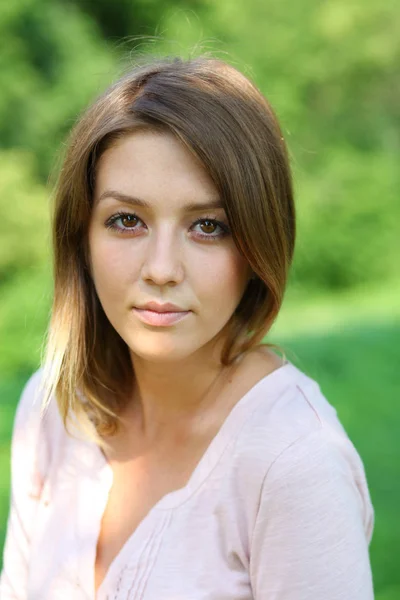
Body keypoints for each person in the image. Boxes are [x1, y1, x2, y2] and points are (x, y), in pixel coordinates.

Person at [0, 55, 374, 599]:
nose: (161, 269)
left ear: (257, 242)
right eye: (127, 220)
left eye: (207, 227)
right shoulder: (53, 410)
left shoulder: (295, 465)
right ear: (81, 235)